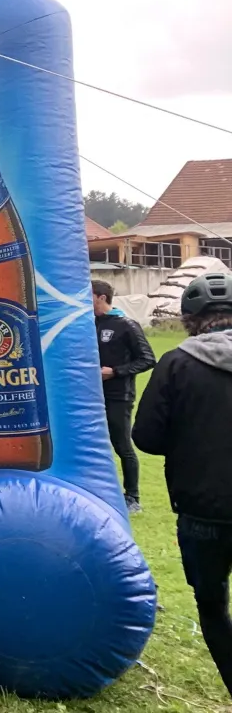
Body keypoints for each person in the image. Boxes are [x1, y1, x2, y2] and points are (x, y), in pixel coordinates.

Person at [134, 272, 232, 697]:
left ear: (190, 319)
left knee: (212, 608)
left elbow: (147, 438)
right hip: (201, 506)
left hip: (202, 508)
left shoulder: (176, 363)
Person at [92, 279, 155, 513]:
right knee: (96, 445)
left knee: (122, 445)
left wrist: (115, 372)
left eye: (88, 295)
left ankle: (133, 498)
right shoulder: (88, 324)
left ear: (100, 297)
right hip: (91, 396)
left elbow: (148, 359)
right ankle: (103, 491)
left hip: (119, 395)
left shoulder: (126, 324)